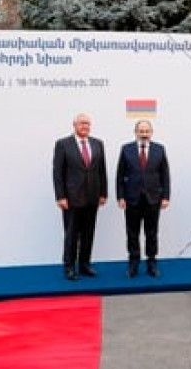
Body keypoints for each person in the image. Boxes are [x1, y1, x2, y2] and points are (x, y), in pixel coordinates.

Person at [53, 113, 107, 281]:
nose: (85, 126)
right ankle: (69, 267)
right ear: (74, 125)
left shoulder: (98, 144)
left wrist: (103, 193)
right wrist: (61, 196)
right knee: (71, 234)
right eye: (82, 123)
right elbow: (57, 172)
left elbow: (101, 170)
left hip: (92, 197)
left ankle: (85, 265)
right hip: (72, 198)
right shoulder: (63, 144)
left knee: (88, 233)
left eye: (88, 124)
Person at [116, 120, 170, 278]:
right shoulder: (126, 149)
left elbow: (165, 175)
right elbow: (120, 175)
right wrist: (120, 196)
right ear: (136, 132)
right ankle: (133, 263)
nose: (144, 134)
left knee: (151, 233)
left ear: (151, 132)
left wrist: (166, 196)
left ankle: (151, 262)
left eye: (147, 131)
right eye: (141, 131)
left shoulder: (159, 149)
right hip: (132, 198)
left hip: (153, 198)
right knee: (132, 233)